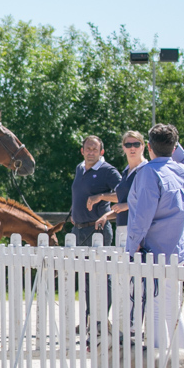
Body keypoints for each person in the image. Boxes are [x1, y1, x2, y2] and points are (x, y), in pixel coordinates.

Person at [126, 123, 184, 349]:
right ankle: (180, 358)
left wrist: (132, 247)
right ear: (174, 147)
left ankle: (159, 360)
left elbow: (143, 216)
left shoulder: (148, 173)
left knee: (156, 308)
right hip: (178, 249)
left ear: (148, 147)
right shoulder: (181, 170)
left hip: (154, 250)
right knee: (172, 309)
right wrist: (173, 144)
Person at [87, 130, 148, 333]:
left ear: (143, 146)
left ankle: (135, 328)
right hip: (122, 228)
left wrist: (125, 205)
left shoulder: (145, 170)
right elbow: (121, 203)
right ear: (123, 147)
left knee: (137, 282)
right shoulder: (126, 171)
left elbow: (148, 201)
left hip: (137, 228)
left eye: (136, 144)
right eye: (128, 144)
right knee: (124, 280)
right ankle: (126, 326)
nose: (132, 148)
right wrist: (107, 215)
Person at [70, 136, 121, 336]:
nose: (91, 152)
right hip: (78, 229)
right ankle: (88, 319)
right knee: (84, 277)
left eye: (95, 149)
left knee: (101, 276)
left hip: (98, 230)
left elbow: (123, 194)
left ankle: (100, 320)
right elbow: (79, 194)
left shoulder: (108, 171)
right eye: (88, 148)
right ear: (82, 151)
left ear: (101, 152)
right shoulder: (79, 168)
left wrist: (101, 196)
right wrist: (74, 212)